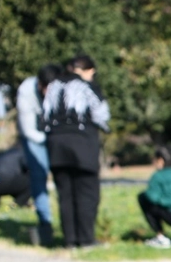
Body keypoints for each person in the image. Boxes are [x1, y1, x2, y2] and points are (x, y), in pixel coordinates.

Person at [43, 54, 110, 249]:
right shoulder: (86, 87)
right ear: (85, 70)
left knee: (65, 194)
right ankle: (86, 240)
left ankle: (70, 240)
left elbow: (45, 115)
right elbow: (101, 115)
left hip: (56, 146)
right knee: (87, 193)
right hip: (82, 145)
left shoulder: (53, 85)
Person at [15, 64, 61, 247]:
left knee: (63, 176)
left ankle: (69, 222)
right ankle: (45, 222)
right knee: (39, 175)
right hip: (35, 136)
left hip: (55, 133)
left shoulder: (62, 89)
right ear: (40, 85)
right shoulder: (26, 92)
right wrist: (50, 139)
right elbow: (28, 131)